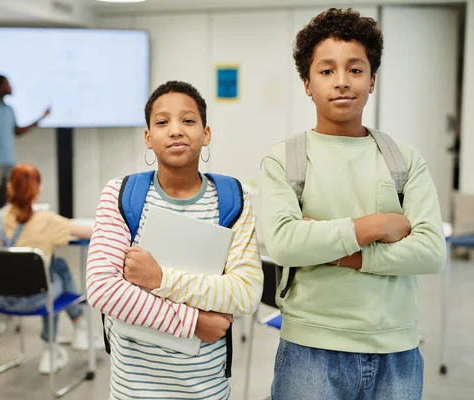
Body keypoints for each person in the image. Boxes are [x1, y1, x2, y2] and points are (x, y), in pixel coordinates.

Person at [258, 8, 446, 400]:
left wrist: (336, 251)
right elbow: (284, 244)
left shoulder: (404, 159)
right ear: (307, 83)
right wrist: (377, 226)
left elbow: (430, 252)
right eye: (326, 71)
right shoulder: (285, 159)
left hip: (396, 350)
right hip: (310, 349)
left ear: (372, 80)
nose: (341, 82)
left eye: (355, 70)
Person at [86, 81, 263, 399]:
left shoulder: (232, 199)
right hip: (134, 388)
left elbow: (247, 292)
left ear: (206, 134)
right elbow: (103, 288)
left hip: (206, 387)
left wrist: (159, 278)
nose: (176, 130)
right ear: (148, 137)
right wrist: (193, 322)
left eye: (189, 120)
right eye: (162, 122)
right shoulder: (121, 195)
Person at [0, 163, 103, 375]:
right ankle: (62, 341)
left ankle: (78, 330)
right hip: (36, 299)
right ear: (38, 190)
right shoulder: (46, 221)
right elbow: (91, 232)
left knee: (54, 267)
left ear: (9, 188)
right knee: (50, 275)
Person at [0, 75, 50, 191]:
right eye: (7, 84)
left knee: (11, 196)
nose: (10, 87)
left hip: (9, 161)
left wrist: (40, 119)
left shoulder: (9, 109)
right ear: (0, 87)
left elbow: (17, 131)